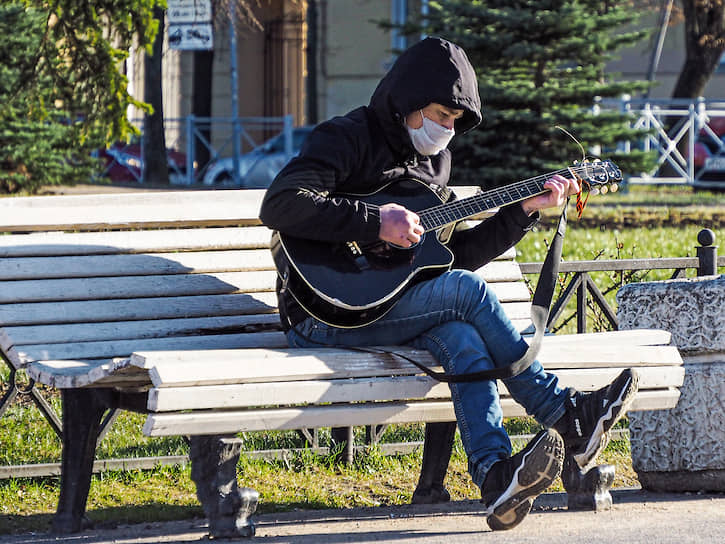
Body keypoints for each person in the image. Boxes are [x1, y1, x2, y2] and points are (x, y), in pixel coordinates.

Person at [260, 36, 638, 531]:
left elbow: (450, 258)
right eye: (442, 113)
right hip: (323, 314)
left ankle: (495, 476)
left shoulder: (434, 164)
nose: (447, 128)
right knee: (469, 293)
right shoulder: (347, 137)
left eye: (456, 121)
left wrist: (523, 212)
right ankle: (566, 415)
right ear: (408, 104)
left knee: (461, 337)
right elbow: (281, 204)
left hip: (390, 309)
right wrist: (374, 222)